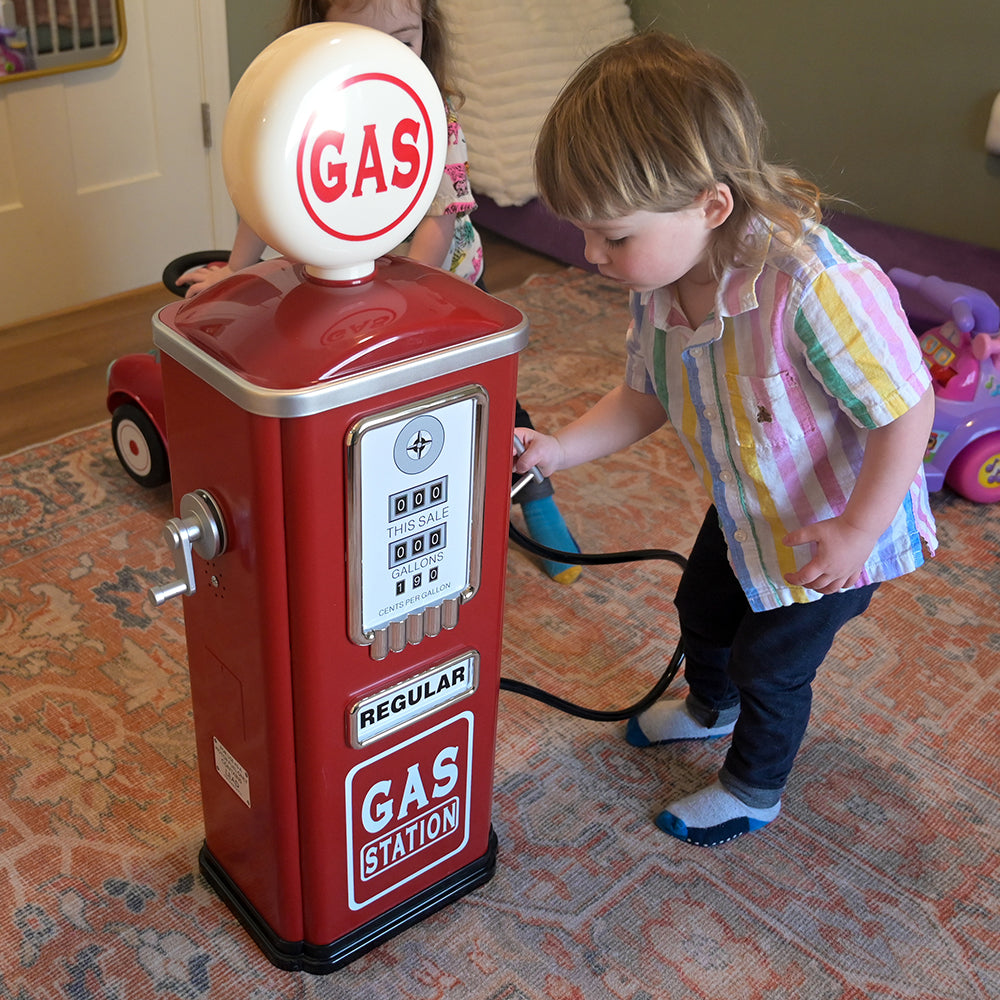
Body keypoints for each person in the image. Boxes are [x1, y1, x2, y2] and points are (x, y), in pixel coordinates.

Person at [514, 31, 938, 846]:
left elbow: (905, 412)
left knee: (773, 665)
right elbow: (646, 397)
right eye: (582, 233)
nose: (593, 256)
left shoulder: (816, 285)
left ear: (710, 204)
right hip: (752, 503)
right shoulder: (665, 279)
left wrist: (856, 530)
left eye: (613, 235)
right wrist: (561, 448)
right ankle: (710, 709)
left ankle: (753, 788)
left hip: (840, 526)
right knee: (701, 608)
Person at [180, 0, 582, 584]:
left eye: (405, 42)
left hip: (440, 289)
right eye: (364, 45)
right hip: (341, 293)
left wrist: (408, 310)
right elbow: (262, 199)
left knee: (487, 404)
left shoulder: (431, 118)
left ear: (428, 38)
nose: (389, 61)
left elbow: (438, 224)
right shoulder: (306, 112)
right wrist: (234, 275)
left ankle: (536, 494)